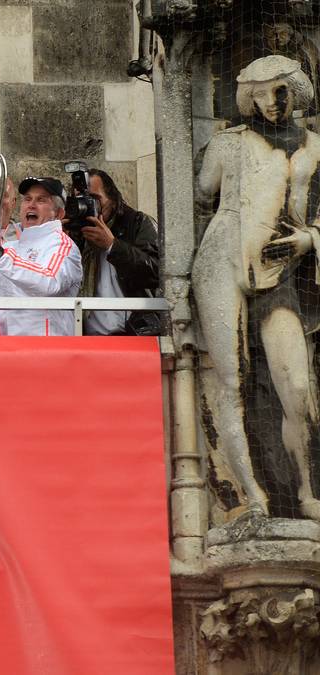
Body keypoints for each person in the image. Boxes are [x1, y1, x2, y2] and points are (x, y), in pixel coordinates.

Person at [193, 55, 320, 519]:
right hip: (221, 259)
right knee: (233, 379)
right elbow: (205, 194)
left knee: (297, 385)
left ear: (296, 91)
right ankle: (251, 495)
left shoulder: (316, 148)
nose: (270, 101)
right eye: (260, 93)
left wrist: (308, 238)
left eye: (279, 91)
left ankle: (307, 491)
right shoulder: (228, 144)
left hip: (281, 268)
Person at [0, 176, 83, 336]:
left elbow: (50, 281)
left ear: (58, 213)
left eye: (41, 200)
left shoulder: (63, 245)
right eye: (27, 199)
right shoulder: (10, 248)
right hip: (8, 352)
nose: (31, 205)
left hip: (49, 352)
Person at [71, 168, 160, 336]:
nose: (90, 207)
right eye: (83, 201)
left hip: (134, 336)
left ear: (112, 199)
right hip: (86, 339)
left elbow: (156, 271)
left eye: (95, 199)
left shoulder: (137, 222)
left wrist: (112, 245)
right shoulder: (75, 232)